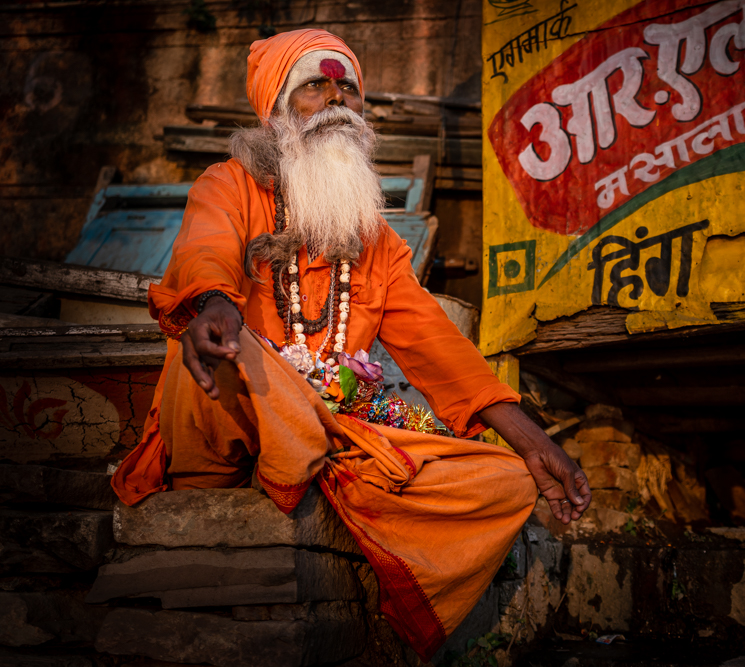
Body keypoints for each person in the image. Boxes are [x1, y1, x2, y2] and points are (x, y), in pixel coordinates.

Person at [110, 28, 591, 660]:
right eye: (315, 85)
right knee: (223, 353)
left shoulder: (375, 240)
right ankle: (289, 450)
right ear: (277, 108)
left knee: (501, 482)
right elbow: (207, 245)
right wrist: (214, 305)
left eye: (348, 90)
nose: (336, 101)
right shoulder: (229, 184)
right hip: (234, 403)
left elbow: (437, 346)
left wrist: (533, 444)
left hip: (330, 434)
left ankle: (373, 586)